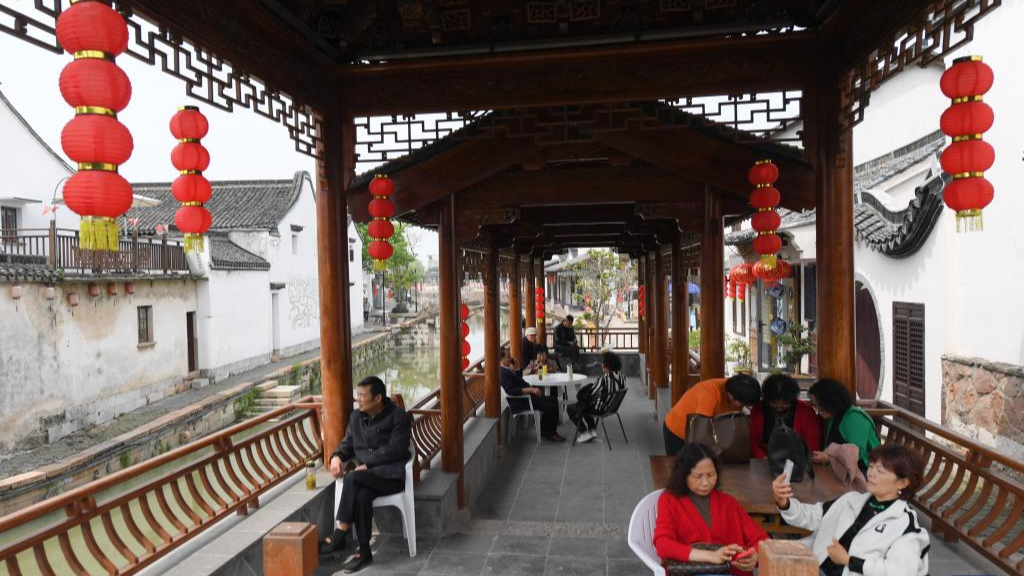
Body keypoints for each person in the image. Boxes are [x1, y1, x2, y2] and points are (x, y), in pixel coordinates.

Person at [772, 443, 930, 576]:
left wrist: (849, 561)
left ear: (903, 483)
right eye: (871, 466)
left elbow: (899, 571)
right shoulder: (851, 500)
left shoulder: (905, 525)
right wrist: (784, 502)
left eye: (880, 470)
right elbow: (813, 516)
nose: (871, 473)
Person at [319, 376, 411, 573]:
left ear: (377, 398)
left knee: (352, 478)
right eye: (357, 394)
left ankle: (339, 534)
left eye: (361, 395)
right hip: (367, 477)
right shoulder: (356, 418)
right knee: (362, 497)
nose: (357, 399)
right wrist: (336, 456)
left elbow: (396, 450)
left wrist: (368, 464)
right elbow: (347, 443)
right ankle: (364, 551)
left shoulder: (399, 417)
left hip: (390, 477)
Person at [654, 443, 768, 574]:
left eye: (711, 474)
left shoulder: (727, 502)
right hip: (690, 571)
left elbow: (761, 539)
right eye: (698, 476)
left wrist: (753, 556)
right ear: (683, 475)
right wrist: (711, 556)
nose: (706, 483)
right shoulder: (669, 500)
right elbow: (663, 545)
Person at [662, 374, 761, 456]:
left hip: (700, 430)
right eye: (743, 403)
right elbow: (701, 428)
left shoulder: (737, 390)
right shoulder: (710, 393)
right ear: (731, 395)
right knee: (679, 468)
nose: (744, 407)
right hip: (677, 430)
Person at [808, 379, 880, 473]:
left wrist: (828, 458)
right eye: (814, 405)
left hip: (865, 471)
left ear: (830, 401)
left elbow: (857, 454)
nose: (817, 410)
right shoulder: (834, 416)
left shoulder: (854, 418)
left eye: (818, 405)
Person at [500, 347, 566, 442]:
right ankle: (551, 433)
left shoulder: (507, 369)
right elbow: (510, 390)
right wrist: (531, 390)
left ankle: (546, 430)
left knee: (553, 400)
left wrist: (517, 368)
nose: (511, 358)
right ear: (501, 359)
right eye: (508, 356)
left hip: (526, 398)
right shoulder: (503, 372)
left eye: (510, 355)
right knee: (551, 406)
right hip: (522, 401)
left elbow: (518, 381)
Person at [749, 374, 822, 459]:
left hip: (799, 461)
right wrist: (763, 457)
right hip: (765, 459)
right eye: (774, 403)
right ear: (767, 399)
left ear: (792, 399)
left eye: (785, 403)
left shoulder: (806, 411)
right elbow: (753, 442)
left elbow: (813, 445)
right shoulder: (758, 409)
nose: (779, 406)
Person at [567, 350, 626, 443]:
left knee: (572, 408)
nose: (602, 364)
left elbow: (591, 393)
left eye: (603, 363)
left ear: (607, 365)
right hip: (611, 408)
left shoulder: (604, 379)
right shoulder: (622, 378)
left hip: (600, 409)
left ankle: (584, 433)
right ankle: (592, 431)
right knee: (587, 404)